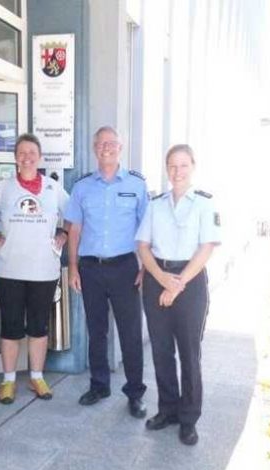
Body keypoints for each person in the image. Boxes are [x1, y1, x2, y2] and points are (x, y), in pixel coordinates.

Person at [135, 144, 221, 445]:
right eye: (172, 166)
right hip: (158, 277)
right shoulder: (156, 204)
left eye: (183, 165)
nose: (177, 172)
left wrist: (178, 284)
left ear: (193, 167)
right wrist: (160, 279)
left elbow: (206, 247)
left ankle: (188, 418)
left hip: (190, 280)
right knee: (160, 352)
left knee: (189, 354)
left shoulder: (204, 204)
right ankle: (168, 410)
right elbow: (143, 245)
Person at [65, 126, 148, 418]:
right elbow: (74, 228)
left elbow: (147, 230)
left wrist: (145, 268)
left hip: (125, 267)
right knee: (96, 330)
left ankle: (135, 393)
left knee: (130, 333)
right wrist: (73, 266)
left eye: (112, 143)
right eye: (101, 144)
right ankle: (99, 385)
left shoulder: (137, 185)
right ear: (94, 148)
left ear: (120, 147)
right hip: (91, 268)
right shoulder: (82, 186)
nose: (107, 148)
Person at [0, 133, 69, 404]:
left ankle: (37, 376)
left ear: (39, 157)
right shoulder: (3, 188)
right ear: (15, 157)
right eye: (21, 153)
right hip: (9, 269)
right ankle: (8, 381)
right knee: (11, 327)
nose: (26, 158)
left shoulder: (53, 188)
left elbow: (73, 215)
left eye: (31, 153)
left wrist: (64, 234)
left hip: (43, 270)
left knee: (38, 327)